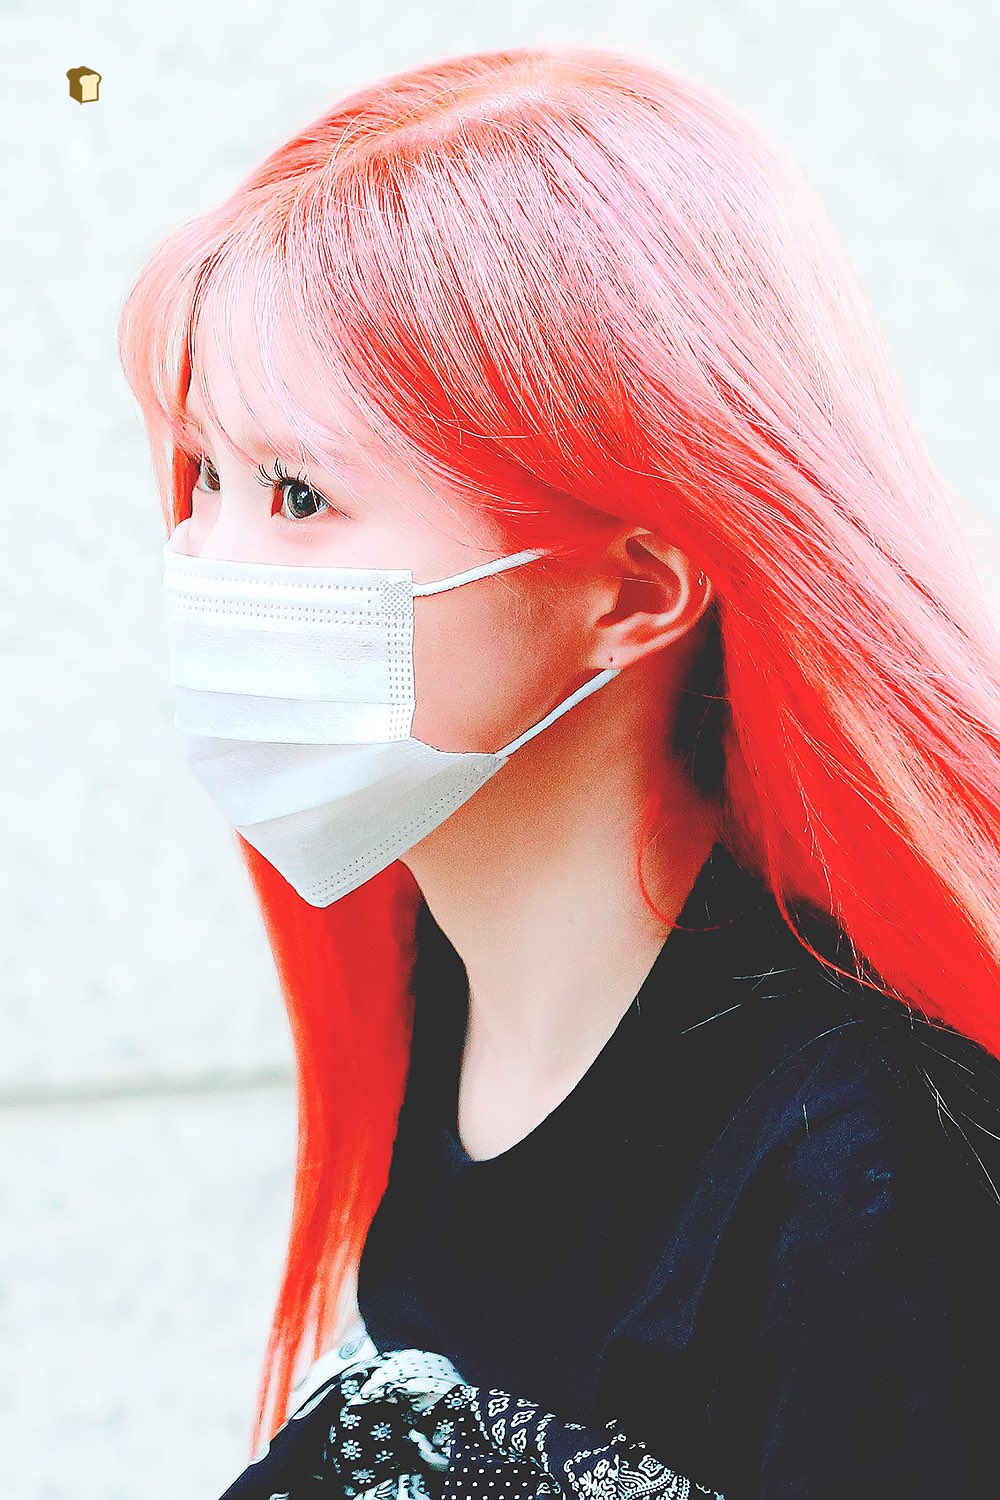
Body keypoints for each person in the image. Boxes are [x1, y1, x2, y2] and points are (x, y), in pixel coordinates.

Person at [116, 43, 1000, 1498]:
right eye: (204, 475)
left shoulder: (870, 1166)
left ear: (637, 589)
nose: (207, 560)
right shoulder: (440, 978)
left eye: (298, 494)